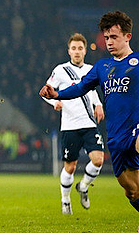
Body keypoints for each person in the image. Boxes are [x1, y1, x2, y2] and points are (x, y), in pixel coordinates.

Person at [39, 11, 139, 233]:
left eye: (113, 37)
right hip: (116, 136)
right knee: (132, 192)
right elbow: (79, 88)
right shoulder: (102, 67)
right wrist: (56, 95)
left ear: (128, 36)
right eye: (106, 38)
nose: (109, 42)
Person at [41, 33, 105, 215]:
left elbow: (91, 90)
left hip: (89, 123)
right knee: (70, 167)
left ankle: (83, 186)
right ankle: (65, 200)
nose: (77, 52)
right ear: (69, 51)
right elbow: (46, 91)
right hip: (69, 126)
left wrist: (98, 104)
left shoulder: (91, 69)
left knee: (98, 160)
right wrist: (55, 102)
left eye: (80, 48)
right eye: (74, 48)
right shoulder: (61, 70)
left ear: (85, 51)